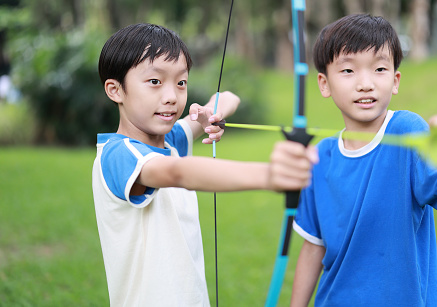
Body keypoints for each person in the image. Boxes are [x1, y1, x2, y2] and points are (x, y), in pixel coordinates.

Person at [92, 23, 318, 306]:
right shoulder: (118, 156)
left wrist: (214, 112)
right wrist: (269, 176)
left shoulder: (171, 141)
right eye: (155, 82)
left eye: (181, 82)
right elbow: (177, 172)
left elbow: (229, 97)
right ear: (115, 90)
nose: (172, 96)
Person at [290, 14, 437, 306]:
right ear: (324, 83)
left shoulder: (407, 130)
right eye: (348, 71)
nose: (365, 83)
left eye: (379, 68)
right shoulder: (319, 157)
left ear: (395, 81)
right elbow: (313, 247)